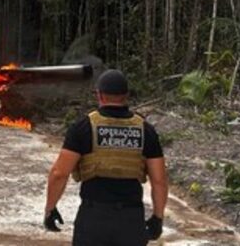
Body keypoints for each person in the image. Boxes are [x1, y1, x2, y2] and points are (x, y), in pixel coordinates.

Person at [44, 69, 169, 245]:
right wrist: (158, 217)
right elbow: (159, 180)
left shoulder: (83, 127)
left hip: (93, 218)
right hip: (131, 219)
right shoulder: (145, 130)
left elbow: (59, 174)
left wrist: (50, 209)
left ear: (100, 95)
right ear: (126, 96)